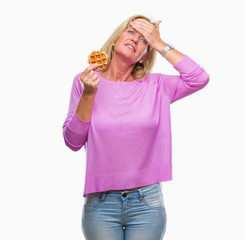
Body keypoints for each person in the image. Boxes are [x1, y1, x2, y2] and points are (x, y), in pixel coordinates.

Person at [62, 14, 209, 240]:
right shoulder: (86, 81)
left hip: (146, 203)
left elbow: (199, 78)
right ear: (116, 38)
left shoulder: (157, 86)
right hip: (100, 203)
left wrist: (159, 43)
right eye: (131, 32)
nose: (135, 39)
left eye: (143, 40)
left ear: (144, 55)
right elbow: (73, 141)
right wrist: (89, 94)